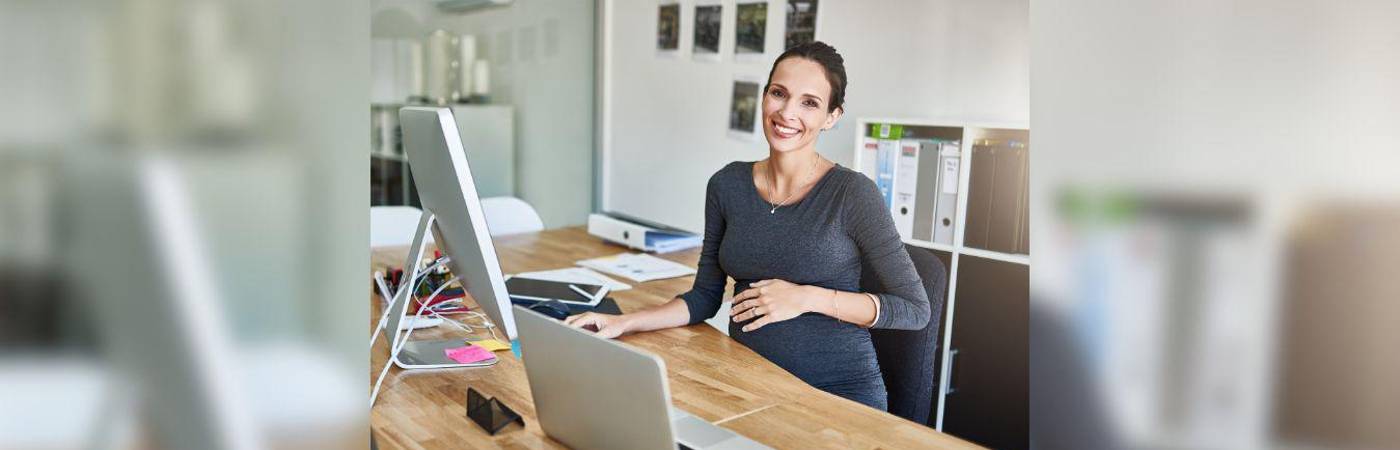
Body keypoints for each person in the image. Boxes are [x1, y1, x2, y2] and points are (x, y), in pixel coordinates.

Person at [565, 41, 930, 410]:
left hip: (836, 398)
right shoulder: (727, 185)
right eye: (779, 93)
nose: (787, 112)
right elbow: (705, 297)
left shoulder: (853, 194)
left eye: (809, 102)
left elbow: (915, 309)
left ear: (832, 117)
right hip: (747, 385)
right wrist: (623, 323)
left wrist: (806, 298)